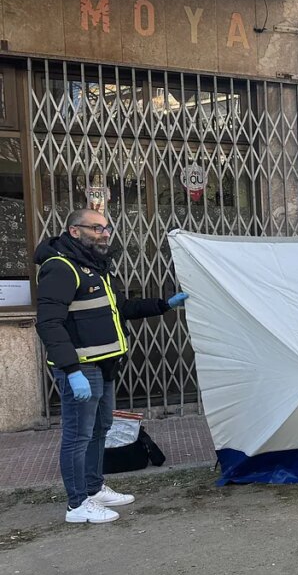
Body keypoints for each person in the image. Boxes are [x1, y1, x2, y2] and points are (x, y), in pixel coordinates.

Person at [35, 208, 188, 524]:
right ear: (75, 231)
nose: (105, 233)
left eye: (107, 228)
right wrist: (72, 370)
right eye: (97, 228)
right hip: (81, 368)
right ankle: (77, 505)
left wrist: (163, 304)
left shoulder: (95, 266)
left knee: (100, 429)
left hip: (104, 366)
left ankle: (93, 488)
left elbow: (120, 308)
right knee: (78, 436)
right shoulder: (61, 268)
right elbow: (49, 324)